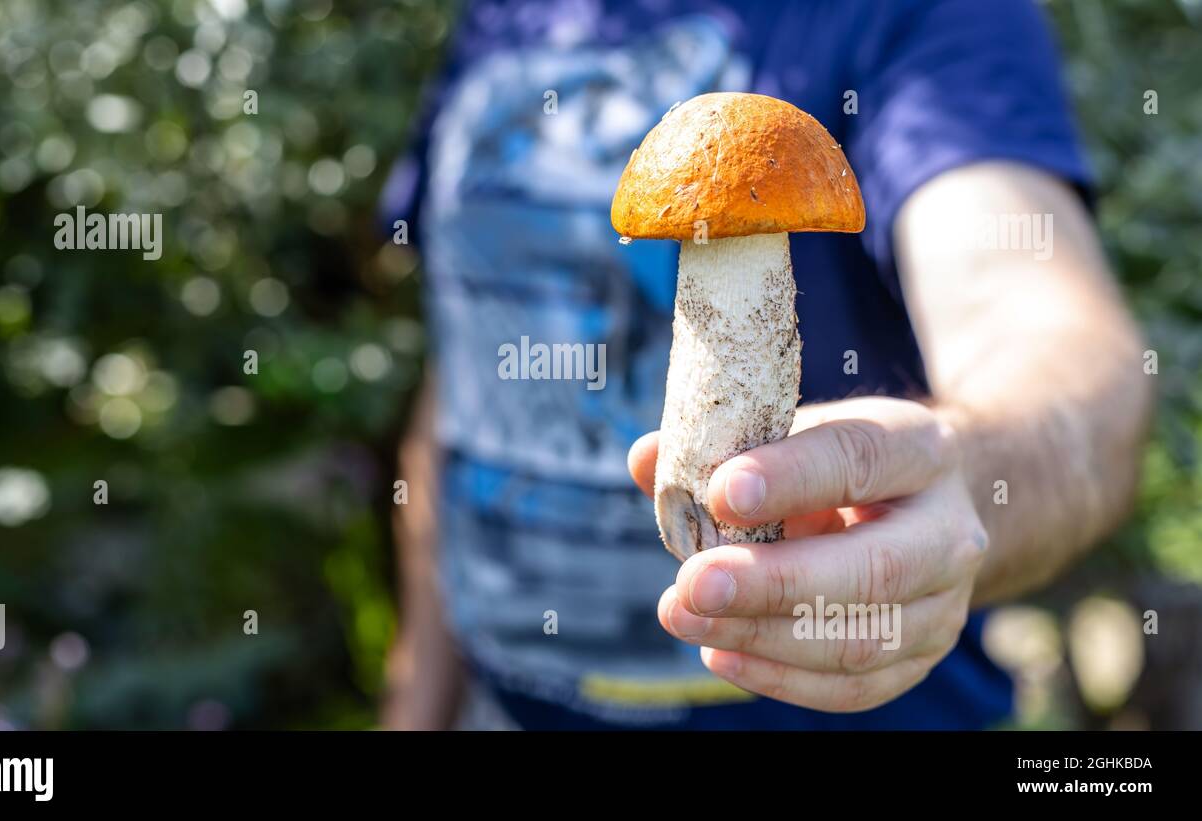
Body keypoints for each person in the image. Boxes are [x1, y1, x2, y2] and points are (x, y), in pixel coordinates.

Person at [378, 0, 1152, 730]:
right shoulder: (505, 15)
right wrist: (415, 701)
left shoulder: (930, 15)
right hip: (503, 706)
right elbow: (464, 357)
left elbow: (1042, 331)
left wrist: (970, 467)